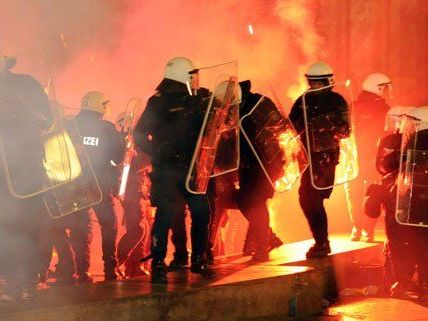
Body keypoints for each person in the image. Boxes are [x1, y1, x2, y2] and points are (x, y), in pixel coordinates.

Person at [134, 57, 216, 283]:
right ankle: (158, 264)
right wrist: (158, 152)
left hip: (193, 167)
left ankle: (199, 260)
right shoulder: (158, 102)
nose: (195, 78)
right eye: (192, 74)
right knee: (165, 216)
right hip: (167, 170)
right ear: (183, 75)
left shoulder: (200, 97)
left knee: (201, 214)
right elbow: (139, 134)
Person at [0, 54, 53, 300]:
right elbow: (47, 118)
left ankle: (18, 283)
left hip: (20, 169)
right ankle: (24, 282)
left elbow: (46, 119)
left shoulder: (24, 85)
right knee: (24, 226)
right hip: (20, 170)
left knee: (14, 226)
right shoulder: (29, 84)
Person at [289, 61, 350, 258]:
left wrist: (320, 125)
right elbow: (291, 126)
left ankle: (322, 243)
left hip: (325, 159)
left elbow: (345, 130)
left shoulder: (337, 101)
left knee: (313, 200)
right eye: (312, 82)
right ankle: (321, 242)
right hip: (306, 158)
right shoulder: (302, 101)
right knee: (305, 199)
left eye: (318, 83)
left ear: (327, 81)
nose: (314, 86)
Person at [67, 91, 124, 282]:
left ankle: (81, 272)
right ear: (100, 106)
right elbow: (118, 158)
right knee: (109, 225)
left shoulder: (69, 125)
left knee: (80, 228)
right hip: (100, 185)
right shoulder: (106, 128)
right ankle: (110, 269)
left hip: (74, 185)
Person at [347, 73, 392, 242]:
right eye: (385, 88)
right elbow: (387, 134)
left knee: (354, 193)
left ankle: (357, 228)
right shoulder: (383, 109)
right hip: (372, 158)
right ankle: (367, 229)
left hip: (355, 158)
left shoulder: (354, 105)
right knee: (373, 192)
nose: (387, 91)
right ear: (378, 88)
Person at [115, 112, 152, 277]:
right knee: (137, 230)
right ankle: (119, 262)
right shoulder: (128, 145)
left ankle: (134, 266)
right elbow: (138, 164)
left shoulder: (124, 142)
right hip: (131, 192)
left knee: (140, 228)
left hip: (137, 191)